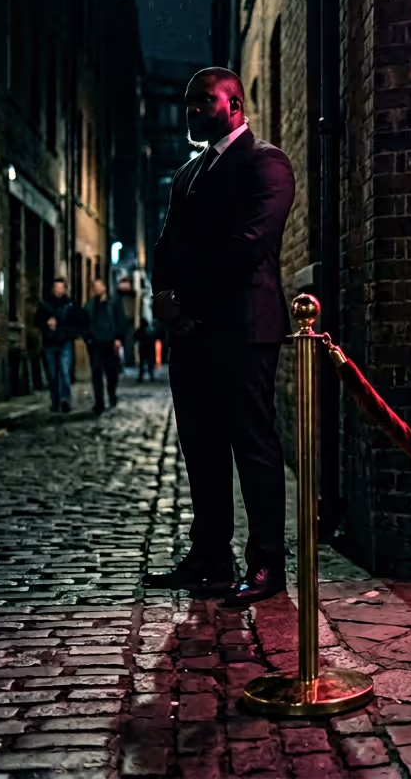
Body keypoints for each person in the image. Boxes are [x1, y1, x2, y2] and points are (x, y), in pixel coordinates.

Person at [141, 67, 295, 609]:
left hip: (243, 330)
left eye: (202, 102)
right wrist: (165, 302)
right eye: (187, 104)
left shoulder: (265, 164)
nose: (191, 112)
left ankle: (267, 564)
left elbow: (247, 246)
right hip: (191, 334)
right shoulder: (187, 174)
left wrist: (188, 301)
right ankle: (209, 557)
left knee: (252, 445)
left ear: (233, 104)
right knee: (201, 448)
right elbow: (166, 247)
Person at [83, 278, 128, 415]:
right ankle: (99, 402)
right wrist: (88, 339)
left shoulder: (114, 303)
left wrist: (119, 338)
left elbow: (121, 321)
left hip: (111, 343)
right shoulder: (90, 306)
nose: (97, 289)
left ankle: (112, 395)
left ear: (104, 288)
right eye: (94, 287)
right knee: (96, 373)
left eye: (99, 286)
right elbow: (85, 324)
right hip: (96, 344)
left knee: (111, 373)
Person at [35, 279, 78, 413]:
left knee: (64, 371)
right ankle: (55, 400)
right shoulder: (45, 305)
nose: (58, 290)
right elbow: (37, 321)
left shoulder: (70, 305)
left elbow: (76, 324)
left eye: (61, 288)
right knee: (52, 373)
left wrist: (65, 331)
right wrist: (46, 323)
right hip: (49, 343)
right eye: (56, 288)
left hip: (65, 342)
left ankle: (65, 400)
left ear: (65, 290)